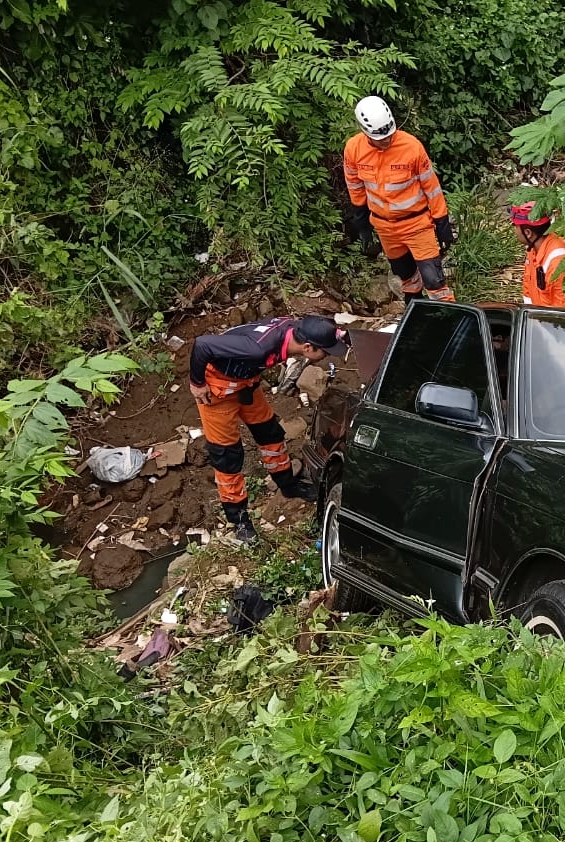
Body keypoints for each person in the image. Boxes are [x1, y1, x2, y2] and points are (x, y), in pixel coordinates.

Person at [188, 315, 347, 543]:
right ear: (308, 347)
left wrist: (339, 336)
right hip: (218, 389)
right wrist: (197, 383)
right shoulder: (258, 349)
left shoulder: (294, 328)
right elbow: (202, 344)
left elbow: (318, 324)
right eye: (326, 351)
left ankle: (287, 484)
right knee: (227, 455)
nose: (328, 356)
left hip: (246, 384)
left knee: (269, 432)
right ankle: (239, 519)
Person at [344, 95, 456, 305]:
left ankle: (447, 313)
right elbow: (354, 184)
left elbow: (431, 187)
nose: (386, 140)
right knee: (405, 274)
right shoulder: (353, 149)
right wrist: (360, 217)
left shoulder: (411, 147)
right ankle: (414, 310)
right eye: (380, 137)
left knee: (433, 277)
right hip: (385, 226)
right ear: (365, 131)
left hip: (417, 223)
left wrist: (442, 221)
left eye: (389, 135)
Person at [508, 201, 565, 309]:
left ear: (528, 233)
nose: (514, 230)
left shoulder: (558, 264)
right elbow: (528, 288)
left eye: (515, 226)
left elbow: (564, 313)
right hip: (539, 319)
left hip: (552, 323)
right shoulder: (534, 250)